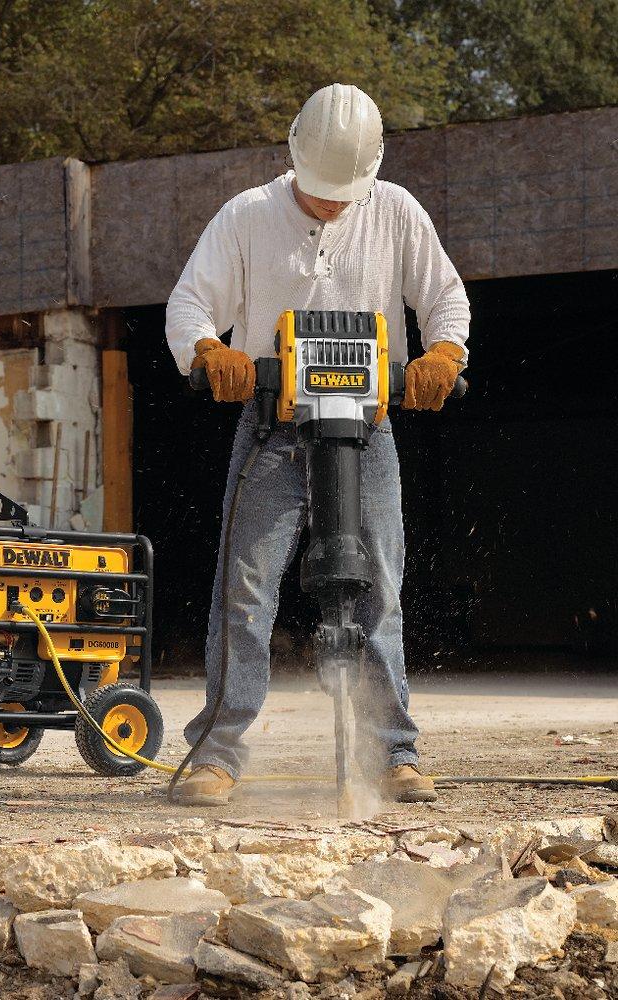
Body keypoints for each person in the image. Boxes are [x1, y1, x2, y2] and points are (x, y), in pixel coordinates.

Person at [165, 83, 470, 807]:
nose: (332, 203)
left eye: (344, 192)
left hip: (369, 430)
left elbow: (446, 300)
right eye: (319, 189)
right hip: (274, 427)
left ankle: (395, 753)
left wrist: (444, 355)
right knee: (244, 591)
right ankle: (217, 754)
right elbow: (189, 303)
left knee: (383, 592)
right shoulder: (247, 216)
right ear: (293, 156)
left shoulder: (395, 212)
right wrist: (209, 351)